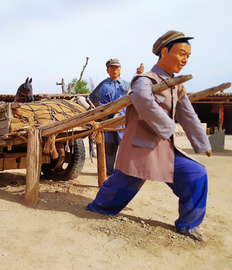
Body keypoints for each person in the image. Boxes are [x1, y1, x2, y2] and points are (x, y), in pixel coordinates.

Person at [86, 30, 212, 241]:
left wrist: (202, 142)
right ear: (164, 52)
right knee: (122, 184)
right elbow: (143, 100)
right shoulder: (144, 79)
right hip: (141, 148)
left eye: (188, 56)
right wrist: (169, 128)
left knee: (196, 174)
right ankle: (98, 207)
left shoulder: (176, 85)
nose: (185, 59)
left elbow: (188, 113)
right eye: (182, 53)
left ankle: (189, 225)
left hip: (166, 148)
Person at [99, 59, 144, 174]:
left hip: (125, 124)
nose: (115, 70)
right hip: (110, 124)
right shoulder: (104, 87)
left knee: (127, 150)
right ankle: (109, 173)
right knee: (109, 152)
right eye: (112, 68)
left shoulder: (127, 84)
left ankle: (125, 173)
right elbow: (101, 106)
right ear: (107, 70)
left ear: (120, 69)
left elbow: (138, 91)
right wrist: (112, 110)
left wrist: (139, 75)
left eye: (117, 67)